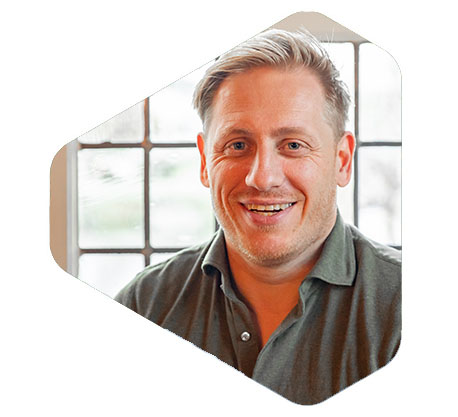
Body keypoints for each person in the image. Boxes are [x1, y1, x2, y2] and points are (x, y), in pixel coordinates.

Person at [115, 29, 401, 405]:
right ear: (205, 161)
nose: (262, 177)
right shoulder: (143, 307)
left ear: (342, 160)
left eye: (293, 145)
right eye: (237, 145)